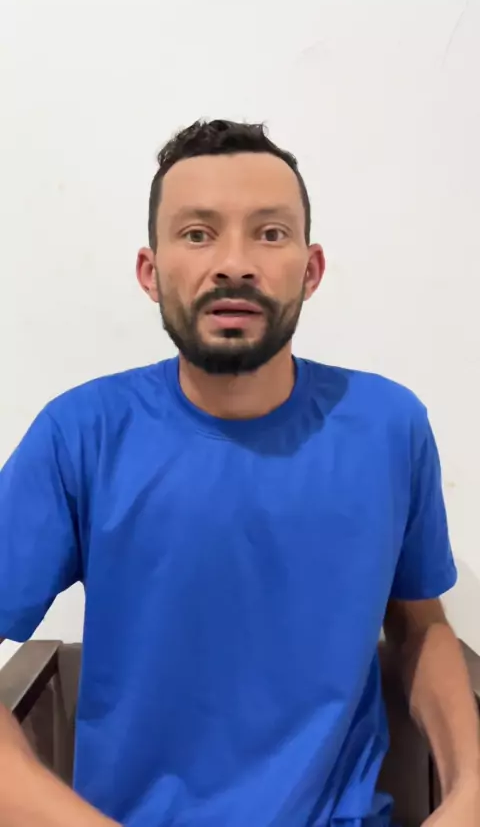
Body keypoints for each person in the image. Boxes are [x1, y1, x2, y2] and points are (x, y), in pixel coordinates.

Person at [0, 119, 478, 827]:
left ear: (311, 270)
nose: (234, 264)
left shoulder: (388, 426)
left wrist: (469, 792)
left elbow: (419, 627)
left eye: (270, 233)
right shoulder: (81, 435)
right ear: (150, 271)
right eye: (198, 234)